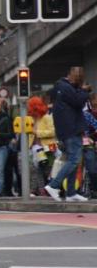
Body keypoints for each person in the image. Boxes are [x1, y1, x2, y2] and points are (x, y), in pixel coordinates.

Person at [45, 66, 91, 202]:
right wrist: (84, 91)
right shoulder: (66, 88)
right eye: (78, 77)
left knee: (74, 160)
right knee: (74, 160)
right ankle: (54, 185)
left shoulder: (61, 87)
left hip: (67, 129)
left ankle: (71, 193)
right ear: (71, 75)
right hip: (71, 129)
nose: (80, 80)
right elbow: (78, 102)